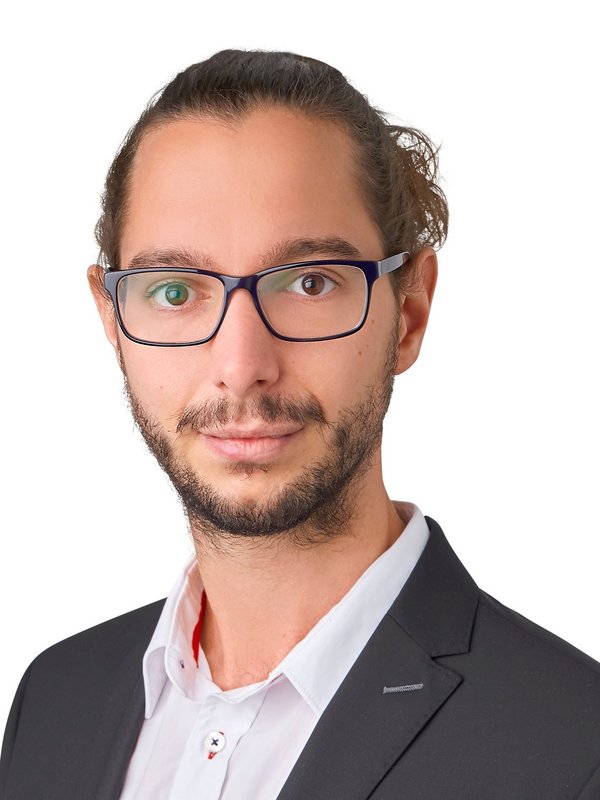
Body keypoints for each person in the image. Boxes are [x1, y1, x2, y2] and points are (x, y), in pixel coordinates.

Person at [1, 48, 599, 800]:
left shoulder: (574, 746)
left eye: (310, 282)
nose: (240, 364)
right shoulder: (54, 701)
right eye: (175, 291)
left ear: (409, 313)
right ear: (112, 321)